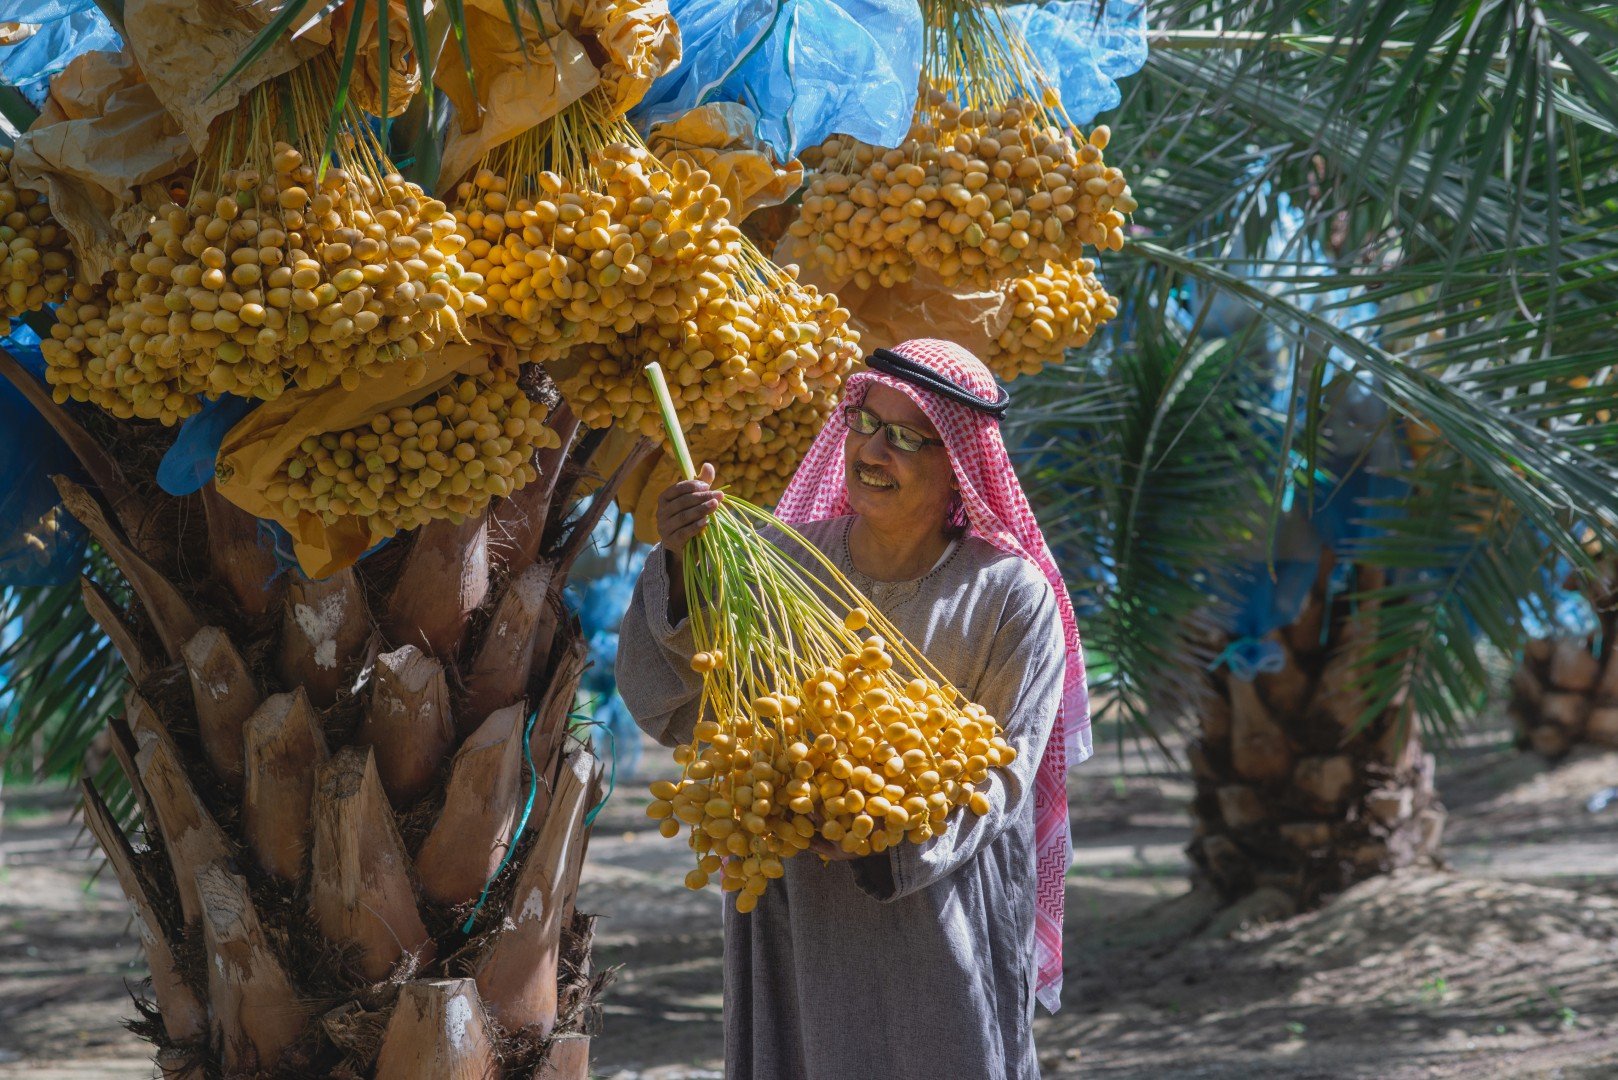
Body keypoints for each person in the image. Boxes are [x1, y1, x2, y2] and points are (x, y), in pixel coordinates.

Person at [616, 338, 1091, 1080]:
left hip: (943, 913)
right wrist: (682, 565)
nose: (875, 449)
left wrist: (895, 845)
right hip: (800, 907)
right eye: (867, 421)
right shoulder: (781, 564)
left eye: (907, 437)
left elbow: (1005, 769)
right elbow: (685, 708)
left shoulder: (1010, 593)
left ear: (960, 467)